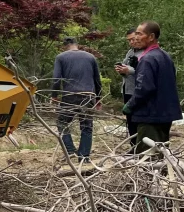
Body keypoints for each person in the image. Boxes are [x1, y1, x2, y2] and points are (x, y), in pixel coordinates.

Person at [122, 21, 182, 152]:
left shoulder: (148, 59)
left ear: (151, 37)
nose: (136, 37)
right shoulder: (164, 56)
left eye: (139, 34)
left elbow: (144, 88)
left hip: (150, 115)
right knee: (162, 153)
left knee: (147, 157)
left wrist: (130, 105)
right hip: (165, 115)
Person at [52, 36, 102, 165]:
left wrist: (54, 95)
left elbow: (56, 79)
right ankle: (84, 157)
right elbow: (97, 80)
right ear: (77, 45)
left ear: (65, 46)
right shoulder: (90, 57)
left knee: (62, 123)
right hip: (88, 96)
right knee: (86, 127)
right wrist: (98, 97)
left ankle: (70, 150)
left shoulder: (61, 57)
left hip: (70, 96)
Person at [114, 29, 140, 149]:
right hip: (127, 90)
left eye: (133, 39)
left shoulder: (146, 54)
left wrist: (128, 70)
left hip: (139, 92)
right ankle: (133, 146)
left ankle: (140, 147)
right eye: (129, 40)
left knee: (138, 120)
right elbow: (127, 69)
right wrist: (122, 70)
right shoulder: (130, 52)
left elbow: (144, 72)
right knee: (130, 121)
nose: (131, 42)